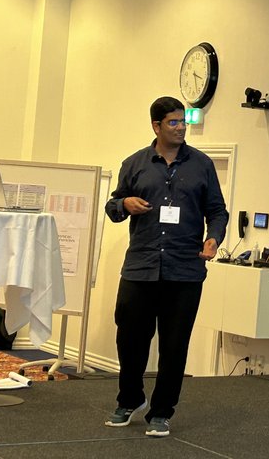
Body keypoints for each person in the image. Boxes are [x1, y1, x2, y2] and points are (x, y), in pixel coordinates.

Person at [103, 96, 228, 437]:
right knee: (130, 340)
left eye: (183, 122)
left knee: (174, 345)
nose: (180, 128)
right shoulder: (135, 163)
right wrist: (125, 204)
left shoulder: (202, 165)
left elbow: (217, 211)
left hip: (185, 270)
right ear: (156, 126)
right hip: (140, 267)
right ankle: (130, 400)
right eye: (173, 123)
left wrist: (213, 238)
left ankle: (161, 411)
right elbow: (113, 207)